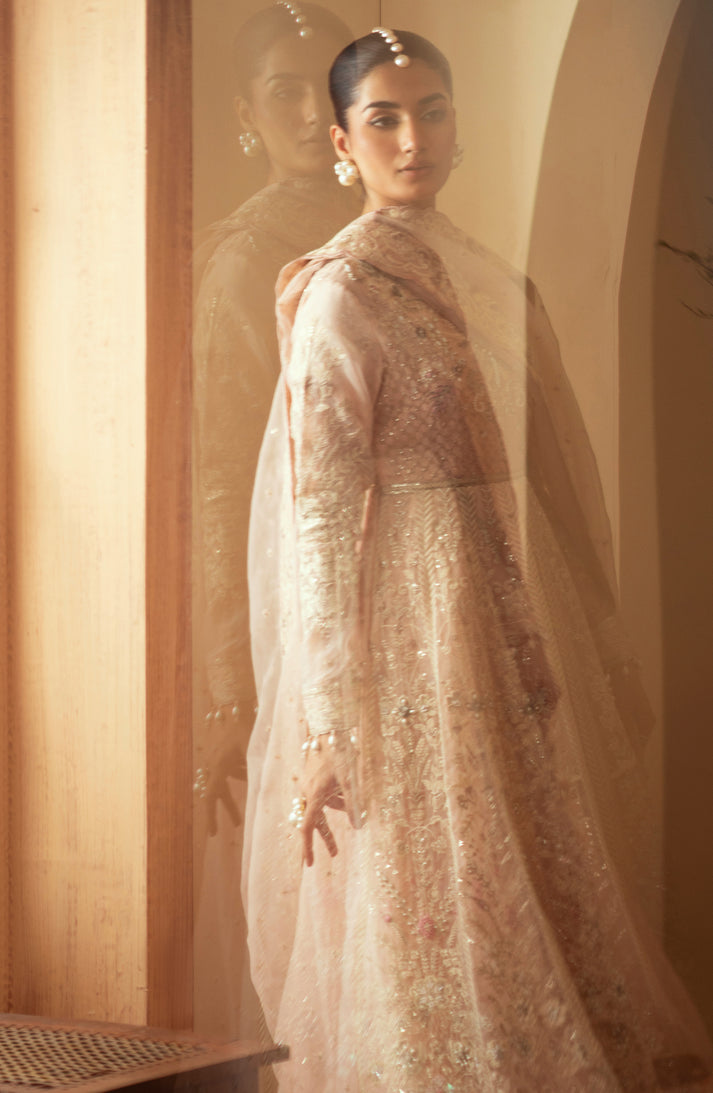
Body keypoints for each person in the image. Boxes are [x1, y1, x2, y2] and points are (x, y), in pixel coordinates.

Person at [243, 29, 713, 1091]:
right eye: (383, 119)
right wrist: (328, 721)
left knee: (535, 841)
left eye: (432, 112)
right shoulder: (341, 292)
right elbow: (321, 517)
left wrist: (594, 635)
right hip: (413, 622)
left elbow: (550, 471)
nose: (413, 140)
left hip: (509, 602)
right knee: (432, 856)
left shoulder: (491, 277)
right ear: (342, 143)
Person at [191, 1, 358, 1036]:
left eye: (324, 86)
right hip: (296, 598)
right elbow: (218, 477)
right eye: (283, 92)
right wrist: (229, 682)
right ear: (245, 116)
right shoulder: (244, 261)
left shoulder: (382, 227)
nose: (308, 113)